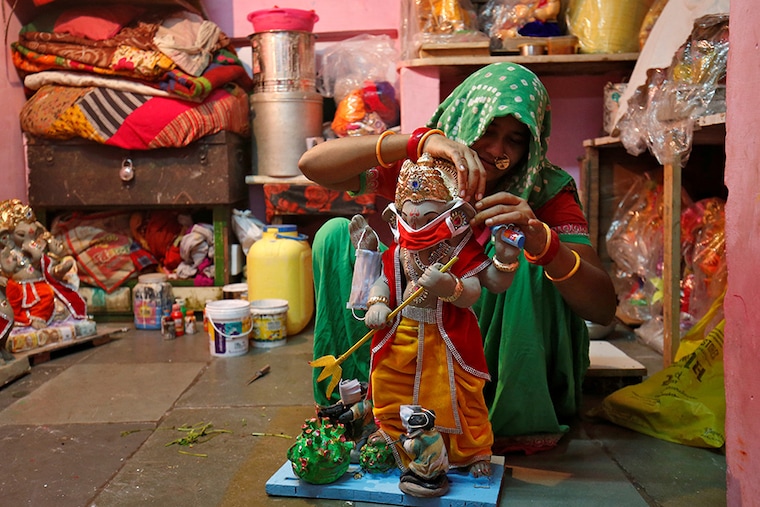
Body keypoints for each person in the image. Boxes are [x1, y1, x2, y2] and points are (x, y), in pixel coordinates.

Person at [299, 62, 616, 454]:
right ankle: (362, 402)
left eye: (515, 140)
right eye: (488, 130)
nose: (498, 151)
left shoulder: (545, 188)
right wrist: (416, 142)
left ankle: (489, 416)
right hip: (409, 330)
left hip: (483, 348)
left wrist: (543, 243)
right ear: (465, 118)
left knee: (531, 260)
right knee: (334, 237)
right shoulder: (425, 167)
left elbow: (603, 307)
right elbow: (312, 166)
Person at [361, 154, 516, 478]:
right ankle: (392, 436)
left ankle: (472, 451)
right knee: (389, 384)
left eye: (425, 218)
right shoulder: (401, 247)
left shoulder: (460, 248)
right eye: (409, 218)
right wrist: (377, 302)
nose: (415, 225)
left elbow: (479, 289)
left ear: (450, 214)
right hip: (402, 331)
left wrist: (450, 286)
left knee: (463, 397)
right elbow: (386, 278)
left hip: (448, 338)